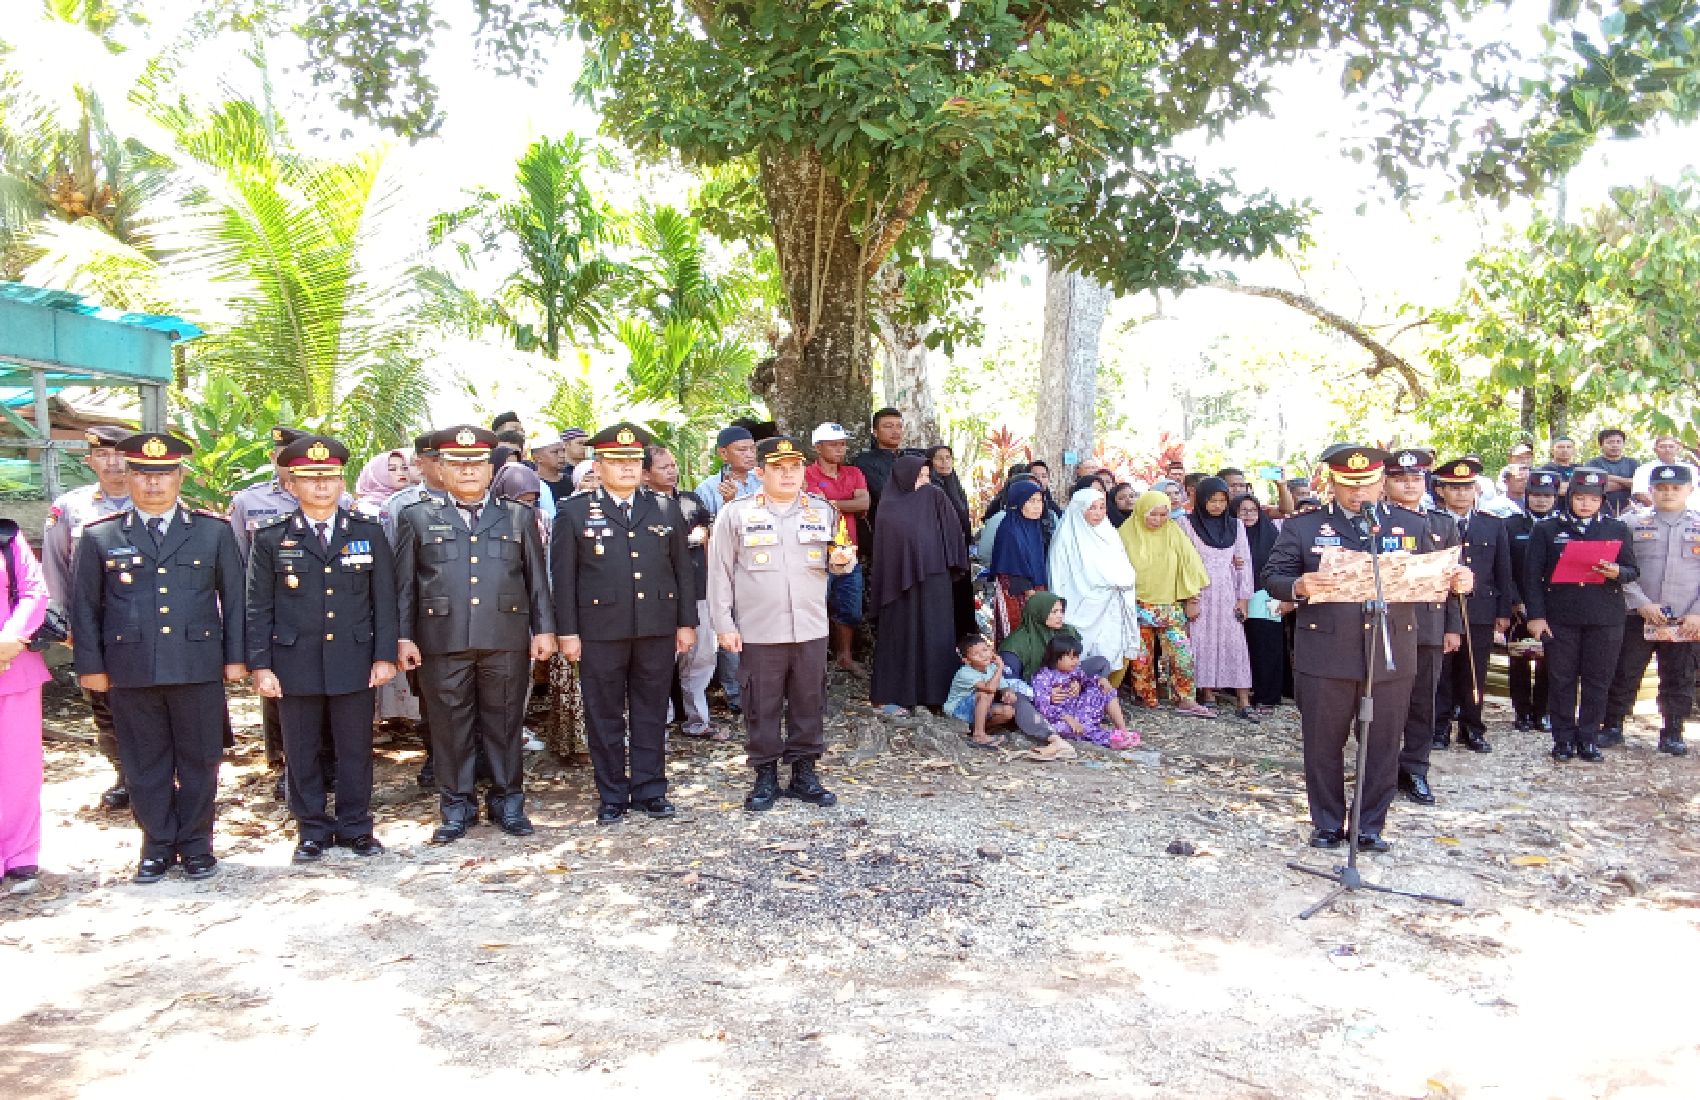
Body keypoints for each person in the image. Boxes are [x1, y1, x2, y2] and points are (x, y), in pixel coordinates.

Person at [1260, 444, 1470, 852]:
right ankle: (1326, 822)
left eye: (1368, 484)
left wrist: (1459, 581)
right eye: (1349, 485)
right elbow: (1273, 576)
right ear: (1333, 484)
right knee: (1323, 742)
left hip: (1391, 648)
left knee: (1383, 743)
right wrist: (1298, 586)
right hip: (1326, 653)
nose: (1360, 494)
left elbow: (1440, 575)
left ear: (1381, 482)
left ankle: (1370, 824)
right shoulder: (1304, 528)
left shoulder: (1411, 524)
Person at [70, 432, 247, 882]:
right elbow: (85, 606)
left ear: (180, 476)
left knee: (200, 760)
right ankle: (156, 847)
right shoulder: (100, 535)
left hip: (197, 665)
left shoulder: (213, 531)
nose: (153, 484)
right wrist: (91, 666)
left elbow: (237, 599)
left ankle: (197, 846)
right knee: (143, 763)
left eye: (163, 474)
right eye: (143, 474)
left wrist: (235, 658)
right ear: (128, 477)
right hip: (131, 668)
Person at [394, 425, 557, 844]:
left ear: (490, 469)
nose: (468, 471)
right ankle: (456, 806)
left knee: (504, 723)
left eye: (476, 463)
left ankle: (508, 802)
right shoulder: (417, 516)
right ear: (441, 469)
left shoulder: (518, 515)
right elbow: (405, 585)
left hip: (504, 638)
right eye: (457, 464)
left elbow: (536, 580)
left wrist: (544, 630)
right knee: (449, 726)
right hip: (441, 640)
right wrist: (403, 637)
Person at [246, 436, 397, 863]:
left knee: (355, 749)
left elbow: (383, 600)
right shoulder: (272, 538)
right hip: (294, 661)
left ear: (341, 482)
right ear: (292, 483)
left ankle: (355, 826)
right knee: (301, 750)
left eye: (329, 477)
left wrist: (384, 655)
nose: (321, 486)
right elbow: (257, 605)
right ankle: (311, 828)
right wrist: (261, 664)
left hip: (354, 658)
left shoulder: (367, 533)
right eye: (310, 479)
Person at [552, 423, 697, 825]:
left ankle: (651, 789)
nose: (628, 468)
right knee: (605, 715)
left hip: (655, 626)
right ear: (599, 465)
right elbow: (563, 578)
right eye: (618, 461)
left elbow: (681, 572)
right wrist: (568, 632)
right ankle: (612, 793)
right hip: (600, 630)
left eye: (634, 461)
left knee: (652, 712)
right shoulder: (575, 511)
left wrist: (686, 623)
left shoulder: (665, 508)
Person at [708, 435, 853, 811]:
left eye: (794, 468)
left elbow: (839, 557)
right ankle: (765, 776)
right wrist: (723, 623)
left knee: (809, 700)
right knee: (761, 703)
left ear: (803, 471)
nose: (787, 475)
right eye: (778, 468)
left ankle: (805, 773)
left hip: (810, 627)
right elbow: (720, 573)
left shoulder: (821, 511)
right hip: (759, 629)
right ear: (761, 472)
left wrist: (843, 563)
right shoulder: (736, 513)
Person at [40, 424, 133, 809]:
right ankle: (124, 774)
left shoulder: (159, 500)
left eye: (119, 453)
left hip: (149, 623)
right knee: (104, 702)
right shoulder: (71, 507)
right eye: (103, 455)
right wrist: (62, 622)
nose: (113, 462)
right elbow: (55, 566)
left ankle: (159, 773)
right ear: (90, 460)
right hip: (95, 623)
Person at [1523, 469, 1639, 761]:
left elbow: (1633, 570)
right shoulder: (1547, 528)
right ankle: (1562, 739)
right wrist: (1536, 616)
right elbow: (1531, 576)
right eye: (1580, 497)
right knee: (1561, 679)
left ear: (1602, 500)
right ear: (1570, 497)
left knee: (1597, 680)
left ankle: (1588, 738)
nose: (1585, 504)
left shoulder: (1616, 528)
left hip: (1604, 617)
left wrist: (1617, 573)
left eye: (1592, 498)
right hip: (1561, 615)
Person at [1382, 449, 1463, 806]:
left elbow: (1454, 583)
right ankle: (1380, 770)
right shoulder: (1374, 520)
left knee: (1422, 701)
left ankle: (1415, 768)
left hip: (1430, 623)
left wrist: (1453, 627)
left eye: (1416, 479)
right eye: (1401, 478)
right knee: (1384, 701)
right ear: (1385, 482)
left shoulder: (1443, 523)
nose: (1409, 485)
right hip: (1385, 623)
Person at [1600, 464, 1700, 755]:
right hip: (1638, 615)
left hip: (1684, 619)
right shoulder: (1630, 524)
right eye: (1662, 488)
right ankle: (1613, 725)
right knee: (1624, 671)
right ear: (1651, 490)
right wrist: (1641, 603)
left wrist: (1696, 613)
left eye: (1675, 488)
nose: (1668, 493)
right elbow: (1620, 570)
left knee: (1679, 676)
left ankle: (1672, 731)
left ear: (1689, 491)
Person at [868, 455, 970, 715]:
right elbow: (887, 548)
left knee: (935, 633)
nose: (925, 482)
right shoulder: (889, 507)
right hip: (899, 586)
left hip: (934, 579)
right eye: (919, 476)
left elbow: (954, 533)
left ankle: (935, 694)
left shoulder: (935, 497)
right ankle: (892, 695)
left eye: (927, 476)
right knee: (900, 636)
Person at [1429, 457, 1515, 754]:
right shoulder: (1429, 522)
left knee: (1475, 672)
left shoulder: (1492, 524)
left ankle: (1472, 728)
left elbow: (1503, 571)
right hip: (1439, 609)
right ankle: (1439, 728)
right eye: (1454, 487)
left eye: (1467, 487)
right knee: (1441, 673)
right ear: (1441, 491)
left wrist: (1503, 612)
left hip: (1480, 610)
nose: (1461, 493)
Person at [645, 445, 720, 741]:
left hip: (698, 587)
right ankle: (657, 722)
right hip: (659, 593)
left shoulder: (690, 500)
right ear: (646, 474)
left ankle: (697, 718)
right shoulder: (641, 505)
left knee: (701, 656)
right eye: (663, 467)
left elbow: (708, 537)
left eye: (673, 465)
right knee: (659, 660)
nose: (672, 471)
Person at [1119, 491, 1213, 717]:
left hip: (1169, 606)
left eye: (1163, 515)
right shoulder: (1124, 534)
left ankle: (1185, 699)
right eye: (1153, 515)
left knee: (1181, 653)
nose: (1159, 520)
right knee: (1141, 656)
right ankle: (1145, 697)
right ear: (1141, 512)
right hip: (1136, 604)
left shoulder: (1174, 532)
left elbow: (1190, 566)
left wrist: (1193, 598)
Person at [0, 521, 51, 890]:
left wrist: (10, 639)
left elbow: (35, 592)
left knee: (17, 766)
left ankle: (19, 853)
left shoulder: (7, 536)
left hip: (10, 664)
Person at [1181, 476, 1257, 721]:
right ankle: (1208, 694)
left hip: (1227, 592)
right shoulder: (1187, 524)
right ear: (1201, 500)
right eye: (1211, 500)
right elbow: (1183, 562)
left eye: (1222, 500)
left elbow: (1244, 562)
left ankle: (1243, 699)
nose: (1217, 505)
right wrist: (1189, 598)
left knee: (1235, 644)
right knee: (1201, 641)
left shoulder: (1236, 526)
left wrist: (1243, 599)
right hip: (1200, 591)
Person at [1047, 487, 1142, 682]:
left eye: (1102, 507)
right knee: (1079, 652)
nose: (1098, 513)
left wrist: (1121, 580)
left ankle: (1102, 697)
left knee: (1108, 650)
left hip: (1110, 604)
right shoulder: (1066, 537)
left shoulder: (1109, 533)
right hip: (1079, 606)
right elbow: (1059, 577)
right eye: (1092, 508)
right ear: (1080, 509)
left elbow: (1122, 565)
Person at [804, 423, 871, 673]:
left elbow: (864, 502)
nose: (840, 449)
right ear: (818, 448)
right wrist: (846, 503)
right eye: (833, 444)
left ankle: (845, 656)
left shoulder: (853, 472)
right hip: (816, 550)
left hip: (847, 551)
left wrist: (828, 503)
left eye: (842, 443)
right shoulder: (806, 474)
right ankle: (815, 660)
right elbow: (809, 506)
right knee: (815, 606)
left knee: (850, 607)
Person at [1505, 470, 1561, 732]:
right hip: (1519, 605)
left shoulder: (1563, 526)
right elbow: (1505, 569)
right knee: (1519, 659)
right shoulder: (1511, 525)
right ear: (1526, 496)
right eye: (1536, 495)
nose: (1541, 501)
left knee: (1549, 661)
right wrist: (1516, 601)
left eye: (1547, 496)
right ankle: (1522, 712)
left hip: (1554, 605)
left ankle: (1543, 711)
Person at [1030, 634, 1139, 749]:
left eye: (1077, 657)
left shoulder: (1074, 671)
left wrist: (1098, 680)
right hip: (1060, 718)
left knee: (1105, 690)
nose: (1076, 661)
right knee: (1062, 728)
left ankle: (1123, 731)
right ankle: (1108, 739)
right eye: (1072, 658)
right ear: (1056, 657)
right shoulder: (1043, 677)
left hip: (1079, 710)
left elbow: (1087, 683)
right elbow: (1043, 707)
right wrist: (1068, 718)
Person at [1234, 492, 1289, 714]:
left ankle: (1268, 695)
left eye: (1253, 510)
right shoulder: (1228, 534)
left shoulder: (1270, 533)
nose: (1248, 515)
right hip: (1235, 596)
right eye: (1242, 510)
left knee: (1266, 646)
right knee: (1242, 645)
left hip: (1265, 596)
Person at [987, 480, 1052, 641]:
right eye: (1031, 501)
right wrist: (1031, 594)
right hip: (1016, 591)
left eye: (1039, 501)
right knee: (1017, 636)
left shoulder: (1035, 526)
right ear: (1018, 502)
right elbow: (1011, 565)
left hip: (1036, 589)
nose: (1038, 506)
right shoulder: (1009, 529)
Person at [925, 444, 978, 635]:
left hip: (959, 549)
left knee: (961, 595)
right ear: (929, 462)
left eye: (948, 457)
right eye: (939, 458)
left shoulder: (955, 485)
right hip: (941, 553)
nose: (945, 462)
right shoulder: (930, 487)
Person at [851, 408, 920, 542]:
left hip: (918, 527)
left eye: (899, 426)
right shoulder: (866, 461)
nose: (895, 431)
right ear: (875, 432)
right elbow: (884, 492)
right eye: (888, 426)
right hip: (884, 531)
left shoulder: (914, 458)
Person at [946, 633, 1020, 748]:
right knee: (984, 694)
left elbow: (1003, 686)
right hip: (958, 710)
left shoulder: (991, 668)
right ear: (966, 660)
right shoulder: (965, 672)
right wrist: (1000, 667)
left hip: (979, 709)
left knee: (1008, 711)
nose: (983, 655)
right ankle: (979, 735)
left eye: (985, 650)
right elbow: (989, 689)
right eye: (976, 654)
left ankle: (974, 730)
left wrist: (1007, 692)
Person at [1631, 435, 1700, 507]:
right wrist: (1666, 508)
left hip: (1688, 511)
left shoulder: (1690, 469)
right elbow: (1641, 494)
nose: (1667, 449)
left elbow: (1694, 493)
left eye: (1671, 446)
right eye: (1662, 447)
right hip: (1652, 511)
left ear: (1678, 449)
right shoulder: (1643, 469)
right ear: (1655, 450)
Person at [1589, 429, 1638, 516]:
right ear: (1601, 445)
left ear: (1623, 444)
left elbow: (1638, 484)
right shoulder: (1593, 463)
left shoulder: (1633, 463)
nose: (1615, 445)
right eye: (1610, 442)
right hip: (1600, 510)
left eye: (1618, 442)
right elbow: (1595, 487)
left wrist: (1609, 477)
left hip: (1630, 510)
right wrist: (1627, 484)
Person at [353, 449, 412, 516]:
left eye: (404, 468)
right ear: (378, 474)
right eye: (392, 469)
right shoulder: (366, 507)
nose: (401, 473)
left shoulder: (413, 499)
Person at [531, 434, 570, 503]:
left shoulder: (571, 482)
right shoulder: (531, 483)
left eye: (563, 451)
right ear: (538, 458)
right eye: (555, 452)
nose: (562, 456)